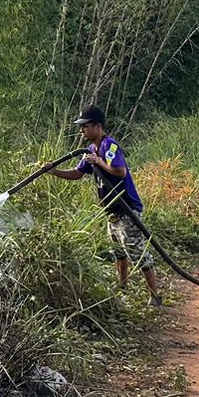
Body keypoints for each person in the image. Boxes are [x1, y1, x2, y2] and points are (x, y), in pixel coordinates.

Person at [51, 105, 164, 307]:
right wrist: (53, 171)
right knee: (118, 253)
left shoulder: (108, 146)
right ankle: (122, 290)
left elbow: (119, 171)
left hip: (126, 209)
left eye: (85, 127)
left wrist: (99, 162)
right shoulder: (91, 151)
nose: (82, 131)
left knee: (137, 252)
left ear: (98, 126)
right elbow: (77, 174)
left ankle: (155, 296)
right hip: (111, 212)